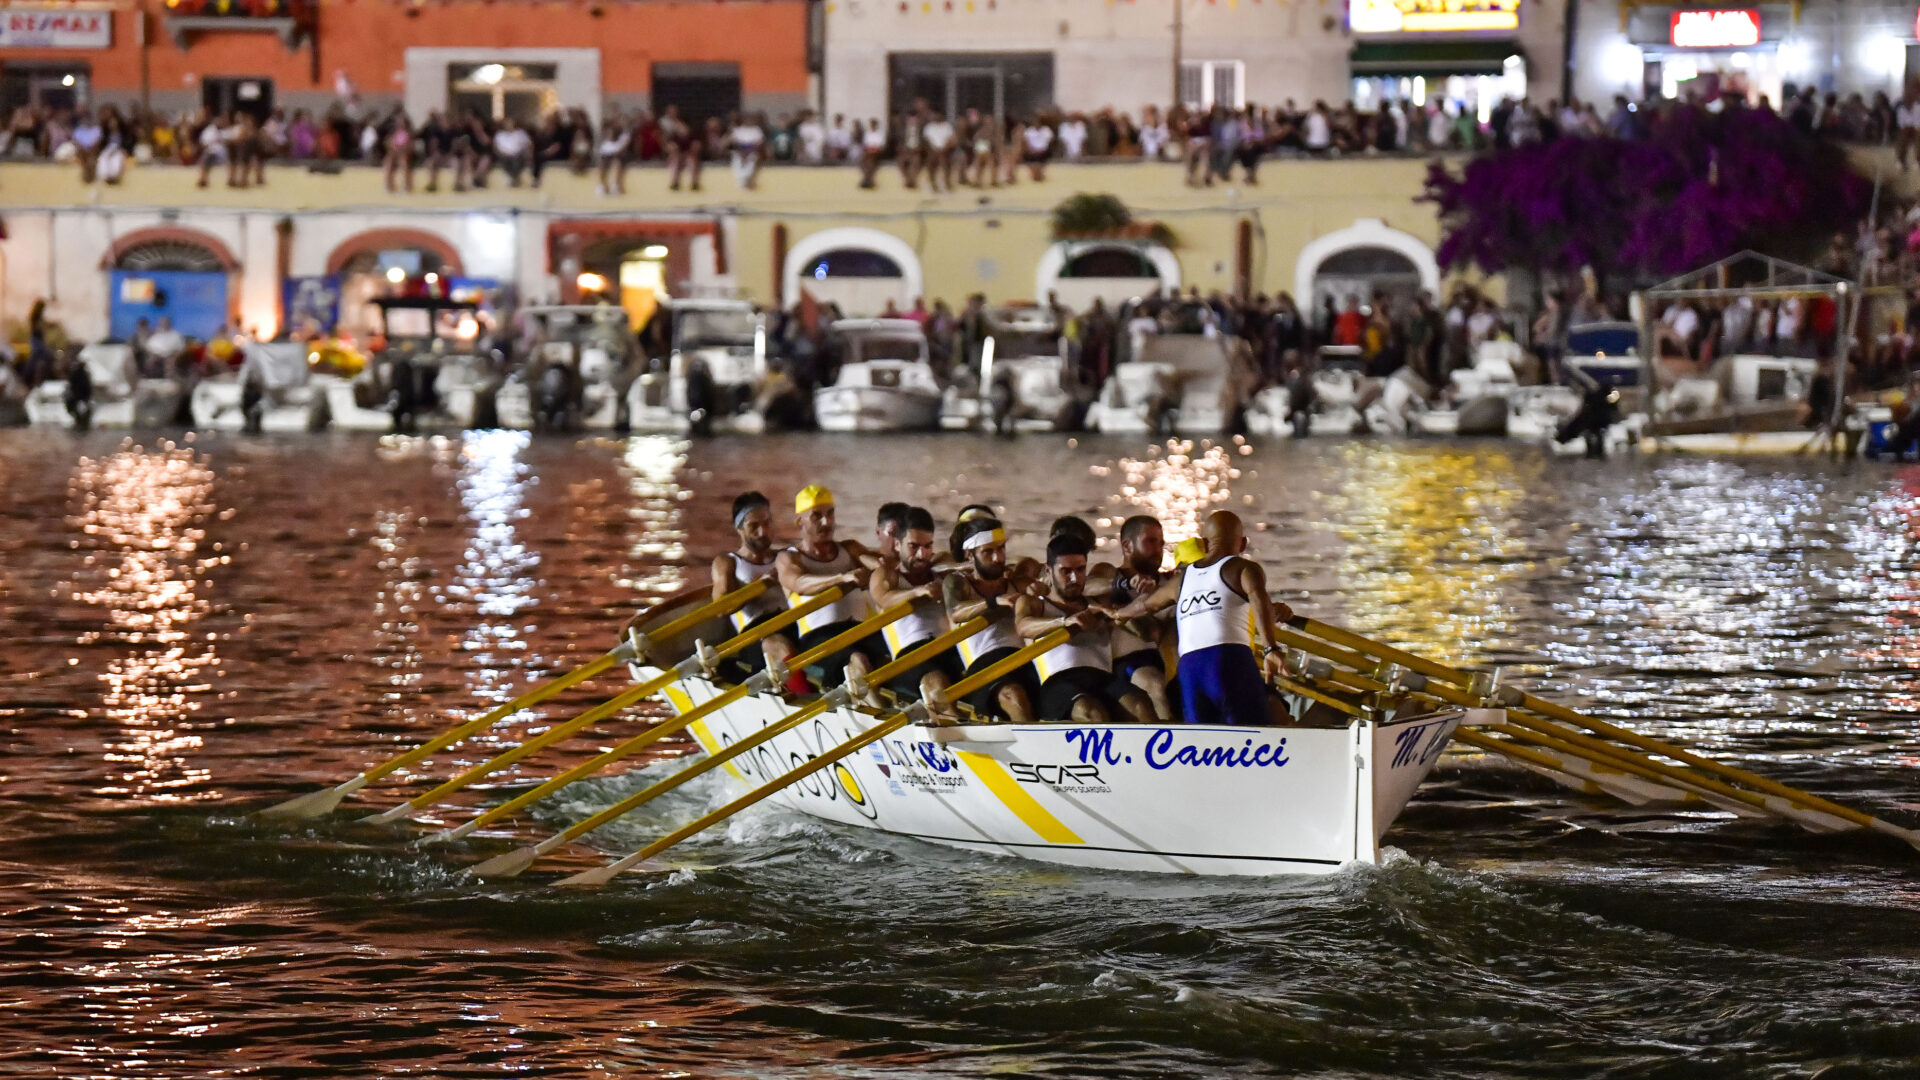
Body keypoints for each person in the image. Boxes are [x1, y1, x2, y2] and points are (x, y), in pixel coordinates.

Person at [1113, 510, 1289, 727]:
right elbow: (1257, 598)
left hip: (1190, 670)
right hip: (1229, 659)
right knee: (1253, 733)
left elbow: (1146, 604)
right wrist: (1272, 648)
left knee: (1201, 739)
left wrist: (1118, 614)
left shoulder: (1181, 580)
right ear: (1242, 544)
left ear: (1205, 545)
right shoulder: (1243, 568)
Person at [1014, 533, 1153, 723]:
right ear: (1048, 570)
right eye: (1066, 571)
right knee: (1092, 712)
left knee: (1140, 705)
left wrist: (1137, 600)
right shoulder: (1034, 603)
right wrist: (1064, 622)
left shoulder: (1099, 604)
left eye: (1080, 570)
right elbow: (1023, 627)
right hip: (1058, 683)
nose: (1074, 578)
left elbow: (1146, 632)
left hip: (1102, 679)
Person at [774, 485, 880, 690]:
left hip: (859, 630)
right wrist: (842, 578)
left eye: (830, 514)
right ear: (799, 522)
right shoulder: (789, 558)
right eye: (817, 516)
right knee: (858, 659)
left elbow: (881, 567)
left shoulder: (850, 548)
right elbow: (799, 584)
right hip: (818, 639)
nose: (827, 522)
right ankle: (875, 713)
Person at [942, 516, 1039, 723]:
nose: (998, 558)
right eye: (988, 551)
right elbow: (956, 612)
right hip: (983, 669)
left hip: (1023, 660)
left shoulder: (1017, 583)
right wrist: (994, 602)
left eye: (1001, 548)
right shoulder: (957, 582)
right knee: (1014, 695)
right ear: (969, 554)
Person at [867, 506, 962, 709]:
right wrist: (917, 592)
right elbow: (884, 599)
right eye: (914, 546)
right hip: (910, 658)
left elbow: (957, 564)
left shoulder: (940, 569)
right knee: (936, 682)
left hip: (949, 650)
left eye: (928, 546)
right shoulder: (886, 575)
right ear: (897, 544)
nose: (922, 554)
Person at [708, 491, 794, 683]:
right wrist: (761, 584)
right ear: (739, 528)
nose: (763, 532)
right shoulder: (728, 562)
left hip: (792, 622)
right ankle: (805, 697)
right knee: (779, 646)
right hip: (755, 635)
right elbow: (721, 607)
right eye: (754, 526)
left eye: (767, 523)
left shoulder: (786, 556)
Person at [1107, 514, 1172, 720]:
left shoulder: (1170, 583)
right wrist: (1124, 584)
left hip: (1171, 663)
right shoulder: (1111, 576)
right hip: (1128, 663)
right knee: (1154, 684)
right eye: (1150, 541)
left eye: (1161, 543)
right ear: (1127, 546)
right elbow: (1091, 584)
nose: (1158, 549)